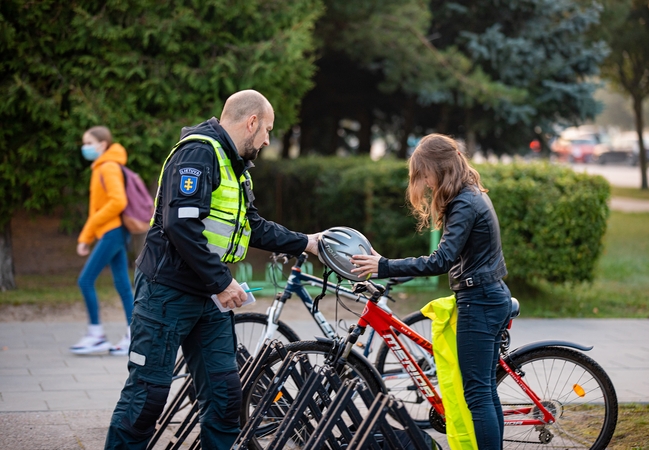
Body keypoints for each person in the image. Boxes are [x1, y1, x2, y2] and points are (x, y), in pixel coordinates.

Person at [104, 90, 320, 450]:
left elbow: (253, 226)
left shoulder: (236, 169)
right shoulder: (199, 153)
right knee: (147, 399)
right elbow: (180, 225)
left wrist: (307, 242)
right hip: (167, 291)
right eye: (267, 129)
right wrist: (221, 282)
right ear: (250, 122)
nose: (268, 139)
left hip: (207, 294)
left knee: (224, 399)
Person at [351, 133, 511, 450]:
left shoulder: (464, 202)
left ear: (439, 167)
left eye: (424, 172)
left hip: (479, 303)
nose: (424, 181)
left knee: (477, 394)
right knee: (485, 390)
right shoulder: (471, 193)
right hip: (489, 297)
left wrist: (383, 265)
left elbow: (440, 261)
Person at [71, 126, 134, 356]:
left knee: (85, 280)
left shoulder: (107, 167)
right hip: (113, 231)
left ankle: (96, 335)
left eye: (88, 143)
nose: (84, 147)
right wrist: (88, 235)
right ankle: (134, 335)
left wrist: (85, 236)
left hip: (112, 232)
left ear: (102, 145)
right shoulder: (104, 166)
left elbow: (117, 202)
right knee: (122, 285)